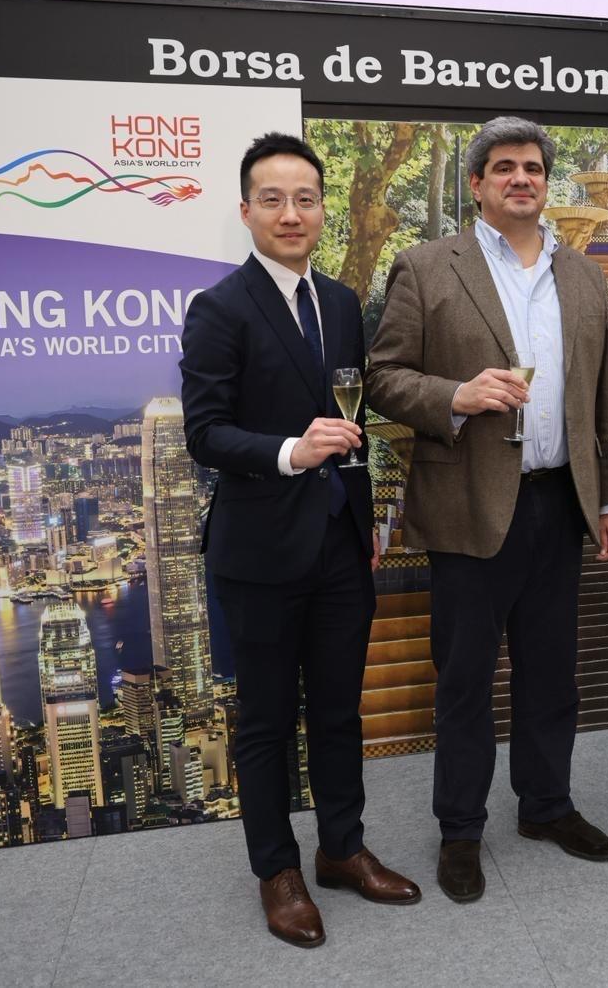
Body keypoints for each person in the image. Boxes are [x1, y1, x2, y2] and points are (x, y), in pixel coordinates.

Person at [365, 116, 608, 903]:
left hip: (558, 505)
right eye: (505, 167)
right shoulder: (423, 267)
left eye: (535, 168)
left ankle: (546, 807)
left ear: (547, 183)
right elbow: (382, 376)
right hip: (470, 508)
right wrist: (457, 395)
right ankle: (461, 830)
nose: (522, 178)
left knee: (553, 676)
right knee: (467, 681)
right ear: (476, 184)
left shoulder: (580, 276)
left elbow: (605, 396)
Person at [180, 133, 420, 948]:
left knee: (340, 712)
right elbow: (205, 435)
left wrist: (371, 516)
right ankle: (276, 870)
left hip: (341, 543)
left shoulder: (345, 304)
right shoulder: (219, 309)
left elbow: (356, 421)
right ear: (246, 210)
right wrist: (290, 451)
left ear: (322, 208)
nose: (292, 213)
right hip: (259, 552)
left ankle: (342, 850)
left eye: (306, 198)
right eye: (273, 199)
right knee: (266, 720)